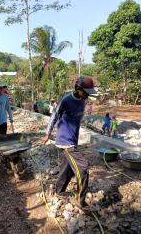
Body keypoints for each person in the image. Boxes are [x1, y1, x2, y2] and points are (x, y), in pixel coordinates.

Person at [42, 76, 97, 210]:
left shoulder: (83, 101)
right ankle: (80, 200)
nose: (88, 95)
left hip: (73, 140)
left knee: (66, 168)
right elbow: (54, 116)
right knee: (83, 167)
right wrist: (48, 134)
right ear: (78, 89)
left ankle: (59, 191)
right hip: (65, 141)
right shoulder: (66, 100)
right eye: (86, 92)